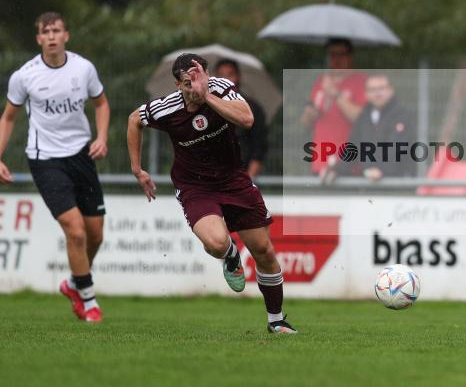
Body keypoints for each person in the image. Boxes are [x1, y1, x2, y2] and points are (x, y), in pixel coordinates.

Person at [126, 53, 296, 334]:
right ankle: (230, 255)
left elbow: (247, 119)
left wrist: (208, 97)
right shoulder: (167, 108)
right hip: (195, 186)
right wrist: (137, 169)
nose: (195, 87)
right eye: (187, 83)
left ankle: (276, 321)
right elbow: (134, 120)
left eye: (199, 79)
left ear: (207, 74)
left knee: (264, 251)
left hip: (233, 179)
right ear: (178, 85)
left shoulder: (222, 88)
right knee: (217, 243)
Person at [0, 12, 109, 323]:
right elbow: (8, 117)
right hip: (45, 158)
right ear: (38, 39)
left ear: (66, 36)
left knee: (95, 235)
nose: (50, 36)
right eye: (45, 32)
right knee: (75, 232)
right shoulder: (25, 76)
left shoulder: (83, 68)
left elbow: (101, 104)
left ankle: (74, 282)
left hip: (81, 155)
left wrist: (102, 137)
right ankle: (88, 301)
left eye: (56, 30)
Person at [323, 73, 416, 182]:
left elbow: (397, 147)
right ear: (366, 94)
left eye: (381, 88)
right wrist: (336, 170)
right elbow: (353, 147)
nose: (377, 93)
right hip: (370, 182)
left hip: (398, 183)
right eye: (372, 90)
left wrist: (382, 170)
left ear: (391, 90)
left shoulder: (401, 115)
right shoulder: (364, 117)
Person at [300, 38, 367, 174]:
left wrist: (336, 94)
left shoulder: (360, 81)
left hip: (348, 162)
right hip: (320, 160)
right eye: (332, 55)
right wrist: (309, 115)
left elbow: (361, 119)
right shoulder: (321, 82)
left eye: (341, 55)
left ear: (349, 56)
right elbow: (306, 123)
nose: (336, 60)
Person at [213, 59, 268, 179]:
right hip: (212, 175)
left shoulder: (252, 108)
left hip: (241, 174)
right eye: (221, 76)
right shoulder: (205, 108)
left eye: (230, 74)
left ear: (238, 76)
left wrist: (250, 179)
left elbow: (259, 146)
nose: (225, 80)